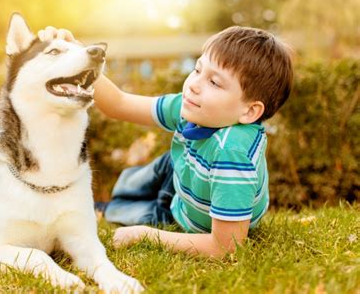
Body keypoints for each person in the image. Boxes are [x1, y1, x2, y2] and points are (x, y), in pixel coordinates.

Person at [39, 25, 293, 257]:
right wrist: (80, 56)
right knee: (149, 173)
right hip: (184, 177)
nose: (194, 85)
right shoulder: (191, 107)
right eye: (197, 69)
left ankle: (106, 208)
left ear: (249, 112)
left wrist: (146, 234)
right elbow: (119, 103)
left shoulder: (232, 156)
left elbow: (225, 248)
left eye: (214, 82)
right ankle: (125, 194)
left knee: (133, 215)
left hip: (192, 211)